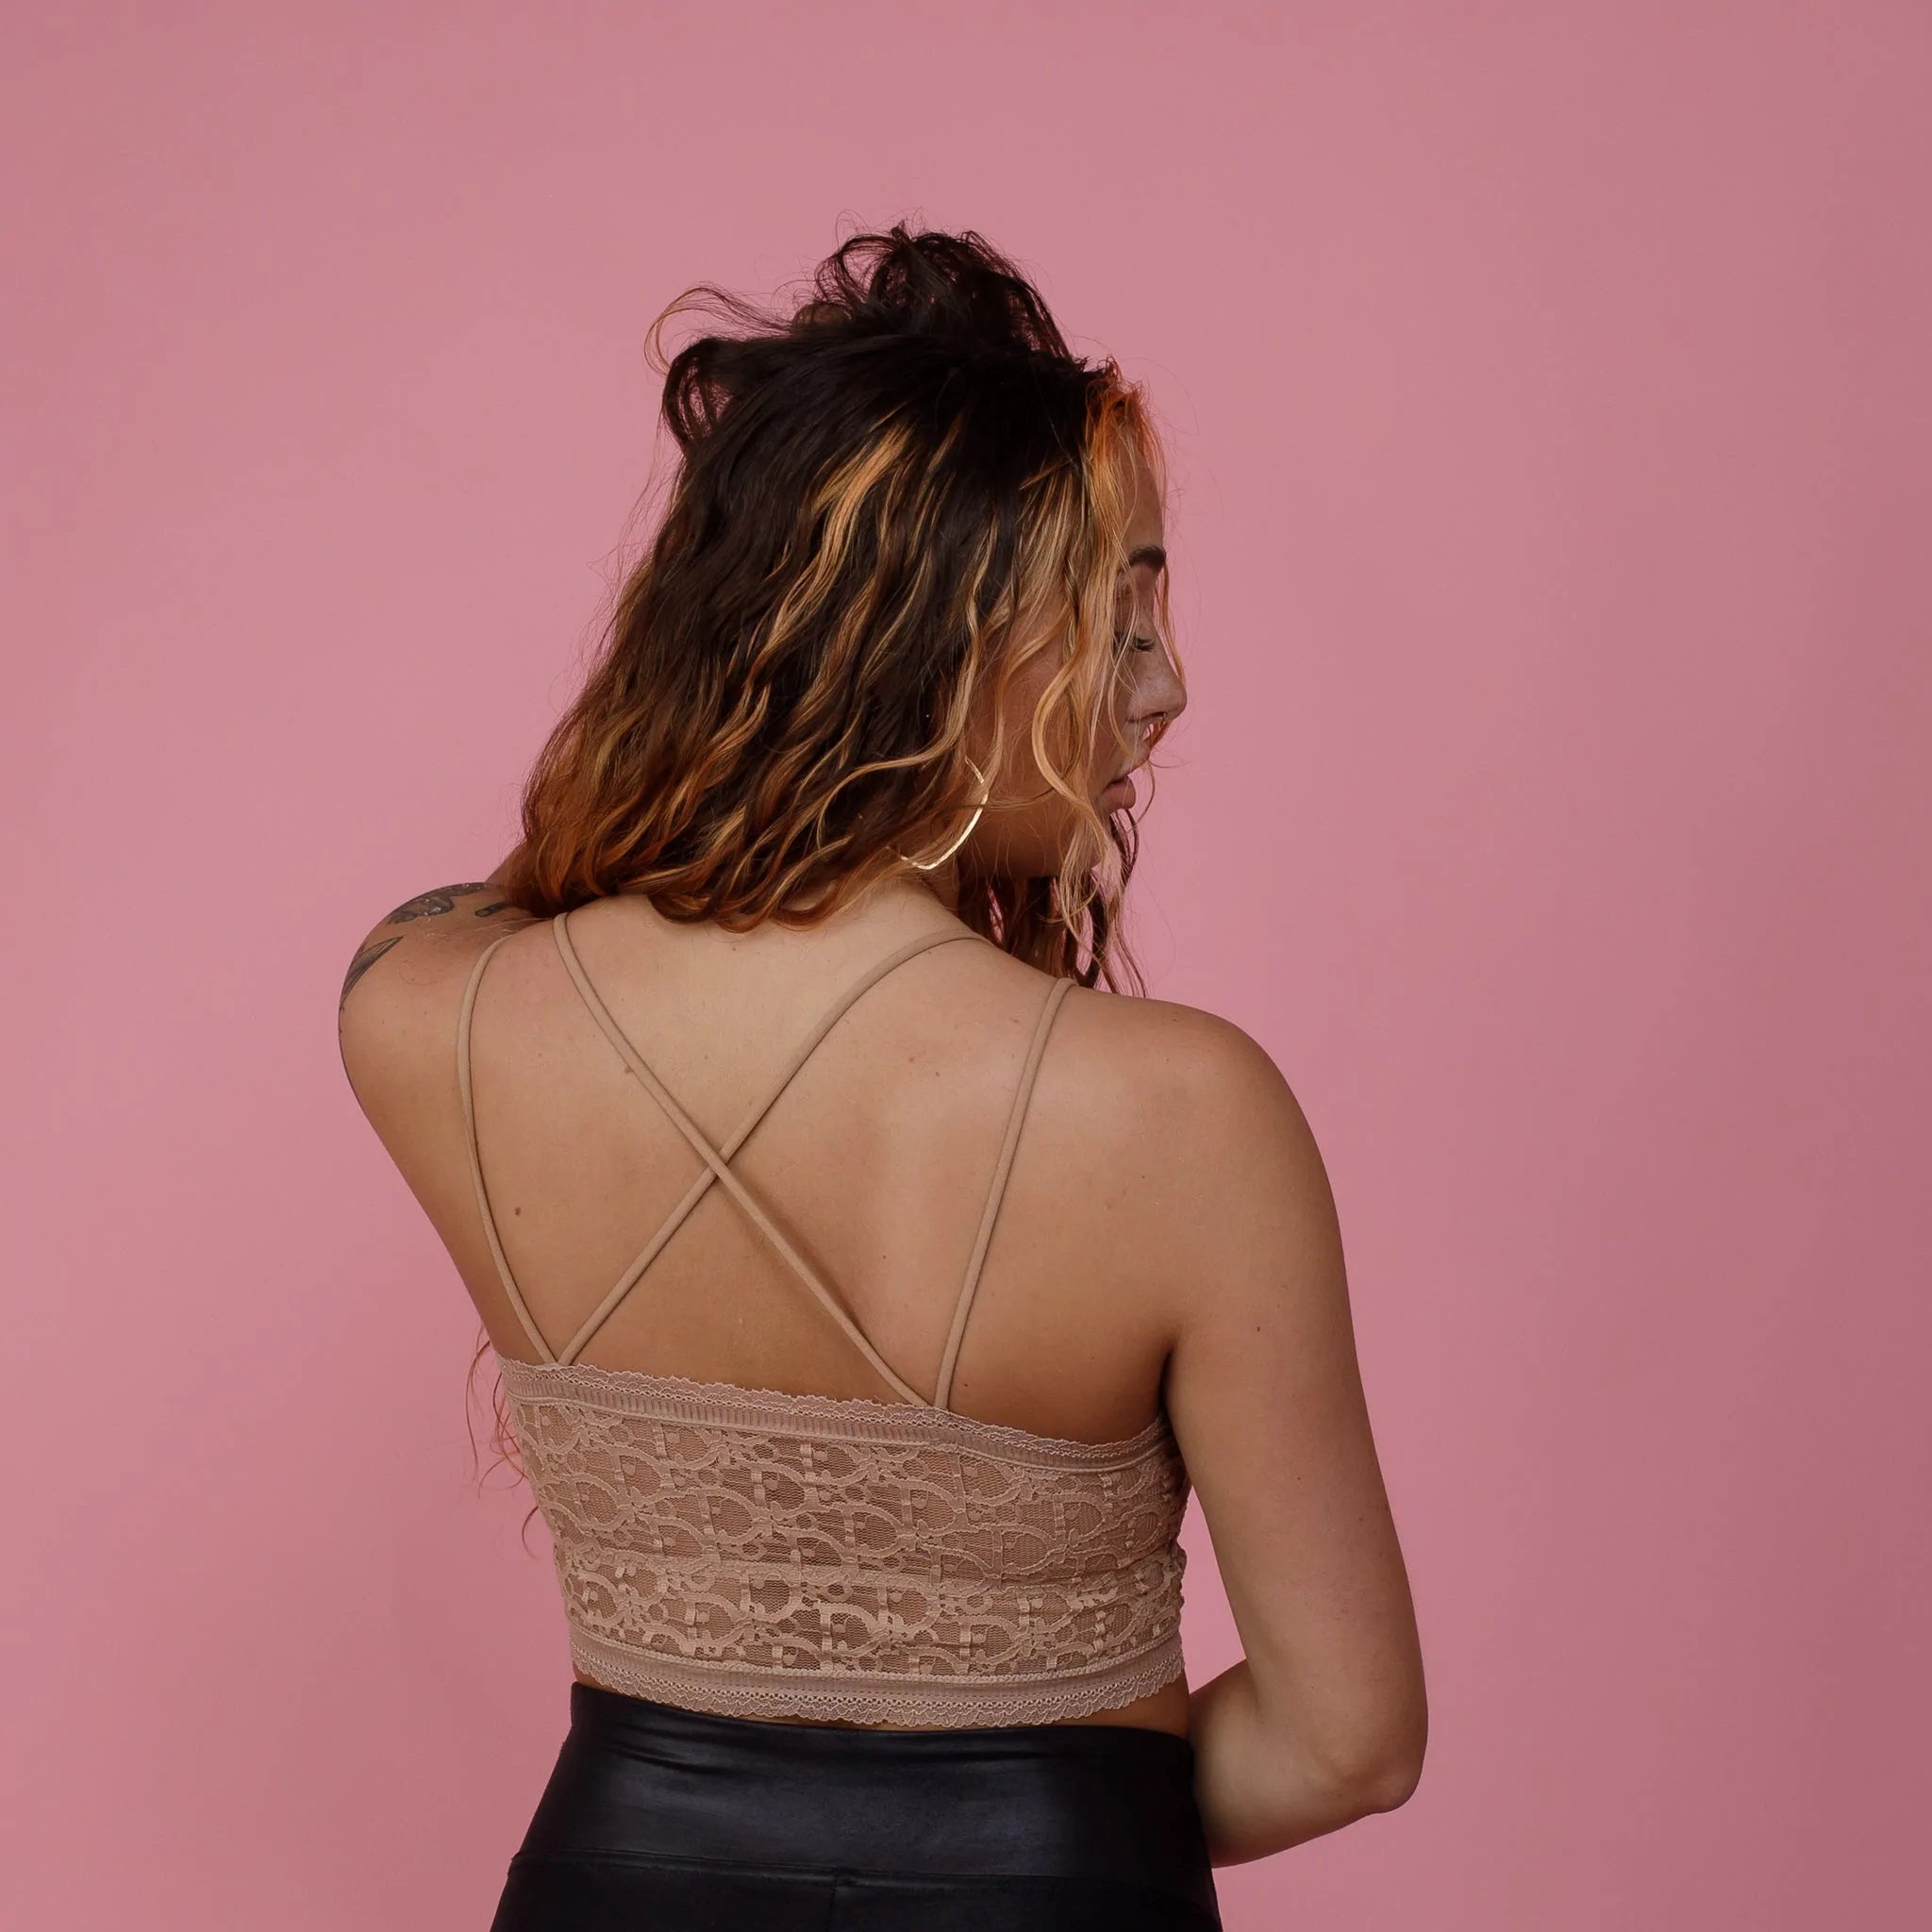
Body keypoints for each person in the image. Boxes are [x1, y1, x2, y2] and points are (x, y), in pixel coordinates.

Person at [338, 225, 1425, 1930]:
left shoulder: (424, 1015)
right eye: (1121, 611)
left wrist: (710, 707)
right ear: (934, 640)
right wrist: (1031, 1830)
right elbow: (1345, 1742)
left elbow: (513, 884)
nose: (1167, 687)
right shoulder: (1183, 1114)